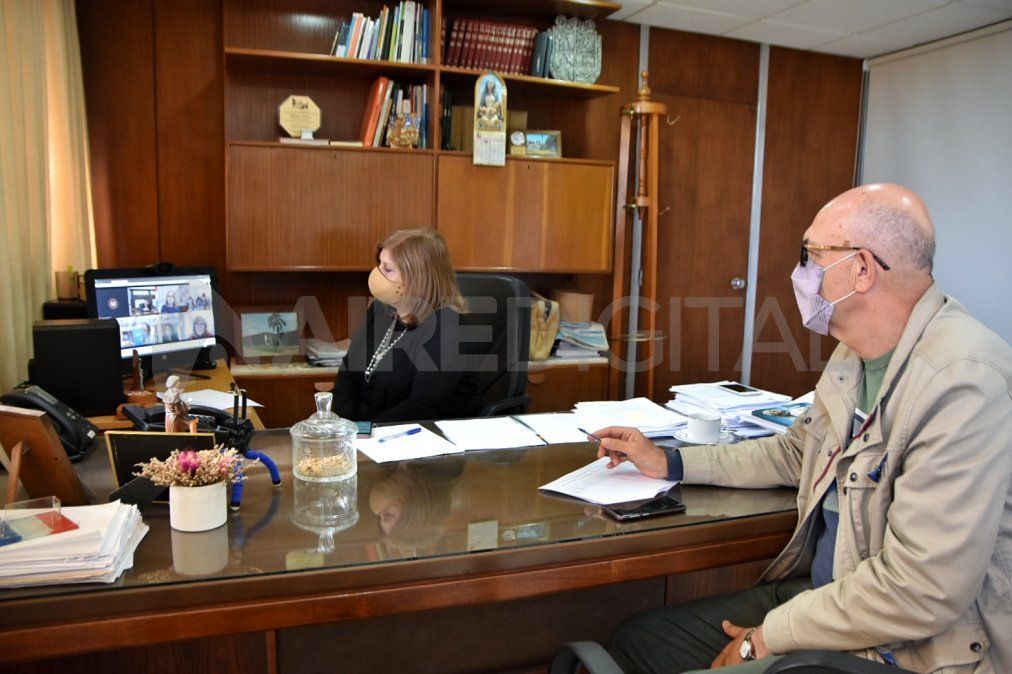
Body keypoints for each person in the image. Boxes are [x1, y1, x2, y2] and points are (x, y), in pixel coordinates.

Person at [594, 184, 1011, 673]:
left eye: (811, 256)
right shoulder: (856, 351)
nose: (801, 273)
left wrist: (768, 637)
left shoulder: (961, 381)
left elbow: (920, 589)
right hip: (832, 598)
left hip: (906, 650)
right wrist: (670, 460)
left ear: (861, 269)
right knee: (643, 641)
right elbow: (795, 453)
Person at [332, 229, 481, 423]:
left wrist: (368, 432)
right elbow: (348, 369)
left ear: (417, 278)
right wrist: (347, 425)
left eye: (388, 269)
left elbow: (421, 407)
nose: (377, 274)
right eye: (379, 265)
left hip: (415, 437)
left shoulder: (447, 330)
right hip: (363, 434)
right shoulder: (380, 308)